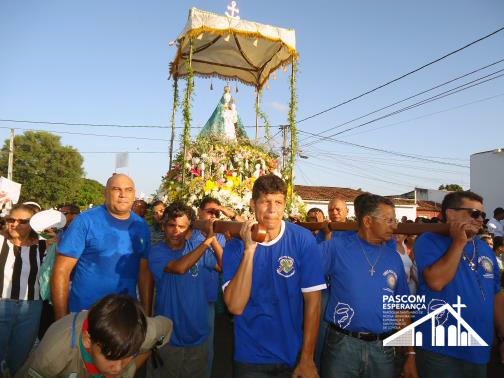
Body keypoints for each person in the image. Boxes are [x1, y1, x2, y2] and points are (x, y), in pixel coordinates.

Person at [223, 174, 326, 377]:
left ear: (285, 205)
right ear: (253, 204)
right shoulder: (236, 246)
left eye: (278, 202)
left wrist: (307, 358)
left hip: (292, 355)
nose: (272, 209)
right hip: (250, 357)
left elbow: (313, 303)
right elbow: (235, 306)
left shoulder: (303, 240)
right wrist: (249, 250)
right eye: (265, 202)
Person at [320, 193, 417, 378]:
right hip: (342, 346)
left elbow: (400, 310)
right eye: (388, 220)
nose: (394, 226)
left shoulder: (394, 258)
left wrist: (410, 354)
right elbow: (303, 275)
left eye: (394, 220)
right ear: (367, 221)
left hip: (382, 349)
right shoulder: (335, 248)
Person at [414, 191, 501, 377]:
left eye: (482, 215)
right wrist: (459, 241)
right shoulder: (428, 240)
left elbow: (496, 295)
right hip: (440, 350)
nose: (480, 220)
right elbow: (436, 282)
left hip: (479, 349)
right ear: (451, 214)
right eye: (474, 213)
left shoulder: (485, 248)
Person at [52, 174, 153, 320]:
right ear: (106, 193)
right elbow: (61, 270)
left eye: (128, 190)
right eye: (116, 189)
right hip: (85, 314)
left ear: (134, 194)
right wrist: (61, 320)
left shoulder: (141, 226)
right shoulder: (85, 221)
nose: (123, 194)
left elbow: (144, 271)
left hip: (125, 316)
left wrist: (147, 315)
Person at [16, 294, 172, 378]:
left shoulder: (143, 332)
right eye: (110, 358)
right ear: (87, 340)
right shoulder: (54, 354)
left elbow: (164, 330)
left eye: (127, 356)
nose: (117, 368)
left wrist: (130, 368)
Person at [147, 201, 220, 378]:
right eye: (171, 225)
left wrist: (214, 239)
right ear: (163, 226)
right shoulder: (157, 252)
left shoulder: (196, 249)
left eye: (182, 226)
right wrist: (207, 241)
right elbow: (180, 268)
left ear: (189, 229)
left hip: (198, 336)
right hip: (168, 338)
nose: (176, 231)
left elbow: (222, 265)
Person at [0, 204, 49, 376]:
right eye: (11, 220)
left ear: (32, 224)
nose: (15, 224)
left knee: (19, 357)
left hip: (31, 308)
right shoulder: (1, 242)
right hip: (2, 305)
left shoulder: (44, 246)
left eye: (23, 221)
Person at [191, 196, 226, 377]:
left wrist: (212, 239)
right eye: (209, 211)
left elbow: (222, 265)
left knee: (207, 345)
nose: (213, 216)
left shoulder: (220, 235)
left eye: (216, 213)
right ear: (199, 212)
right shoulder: (189, 233)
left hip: (207, 297)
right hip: (188, 297)